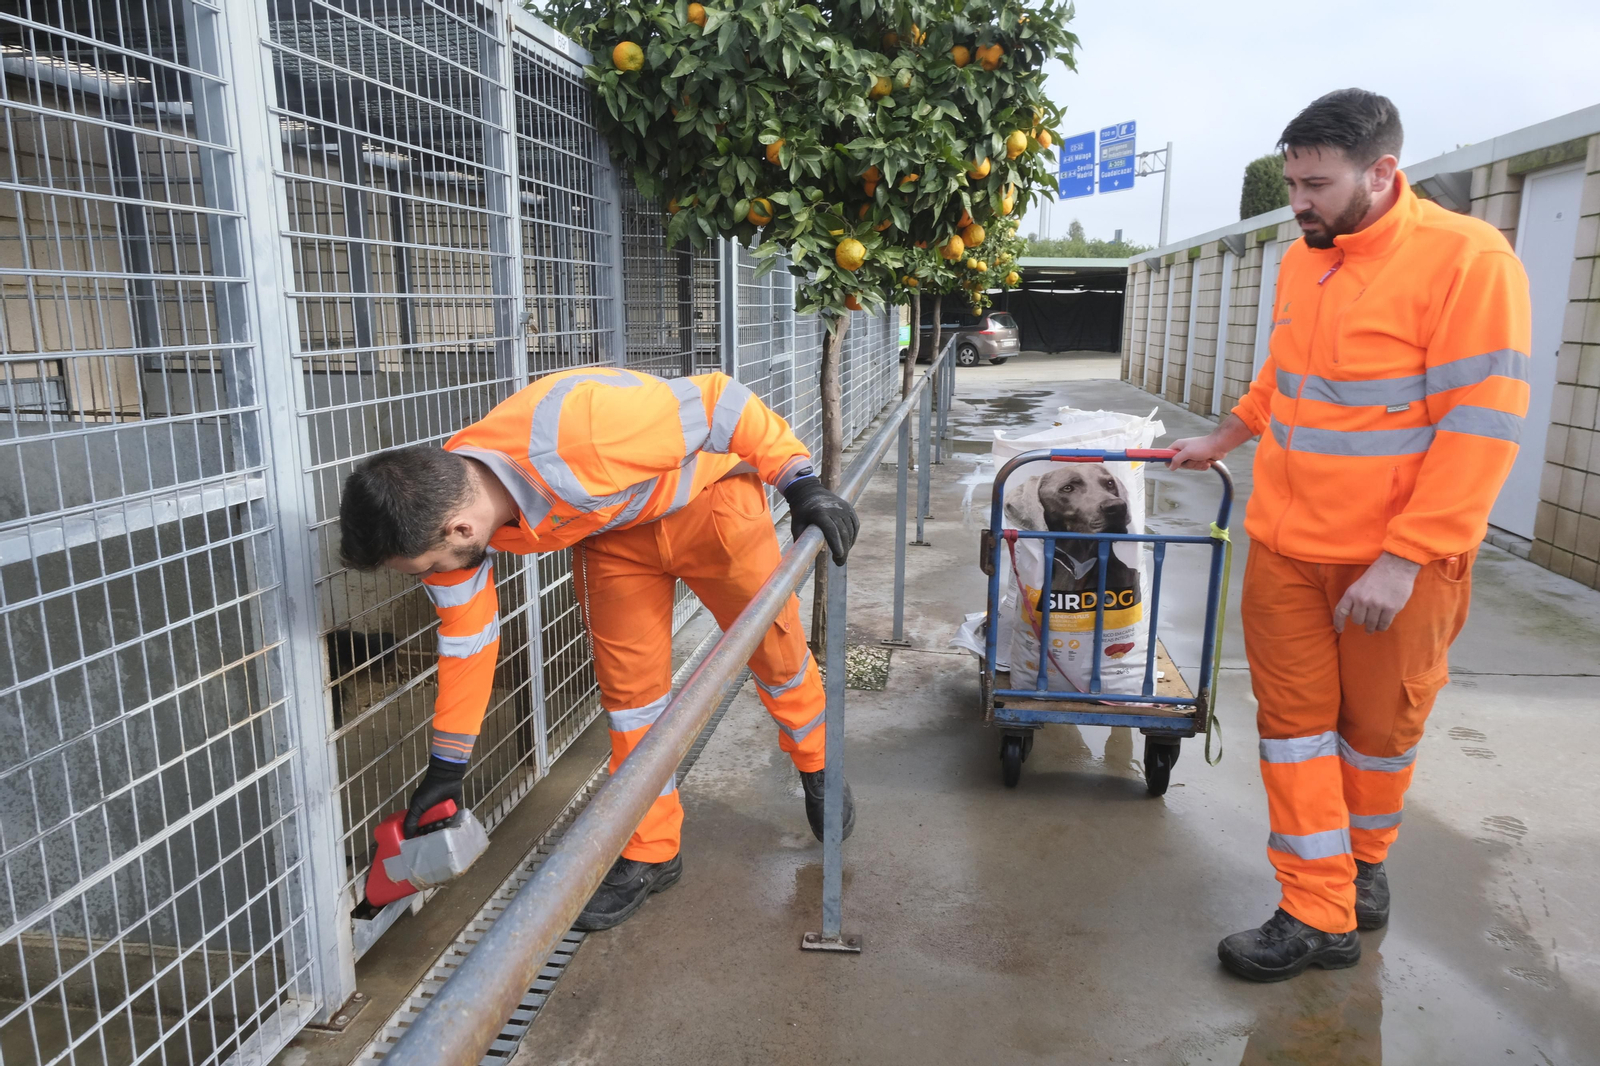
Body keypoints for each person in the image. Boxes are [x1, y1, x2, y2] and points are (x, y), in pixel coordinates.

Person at [1170, 89, 1531, 981]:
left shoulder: (1467, 261)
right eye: (1293, 182)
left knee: (1378, 734)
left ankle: (1361, 869)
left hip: (1391, 564)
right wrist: (1226, 435)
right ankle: (1317, 910)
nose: (1299, 202)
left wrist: (1405, 558)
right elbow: (1289, 375)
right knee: (1294, 732)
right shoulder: (1306, 259)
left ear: (1381, 172)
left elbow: (1481, 426)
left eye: (1316, 185)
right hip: (1288, 548)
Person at [339, 366, 860, 931]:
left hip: (709, 508)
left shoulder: (583, 432)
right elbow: (468, 642)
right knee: (632, 700)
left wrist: (800, 482)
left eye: (429, 568)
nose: (433, 577)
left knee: (777, 658)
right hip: (612, 538)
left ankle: (818, 765)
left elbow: (721, 401)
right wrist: (447, 766)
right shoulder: (443, 505)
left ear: (461, 530)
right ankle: (652, 850)